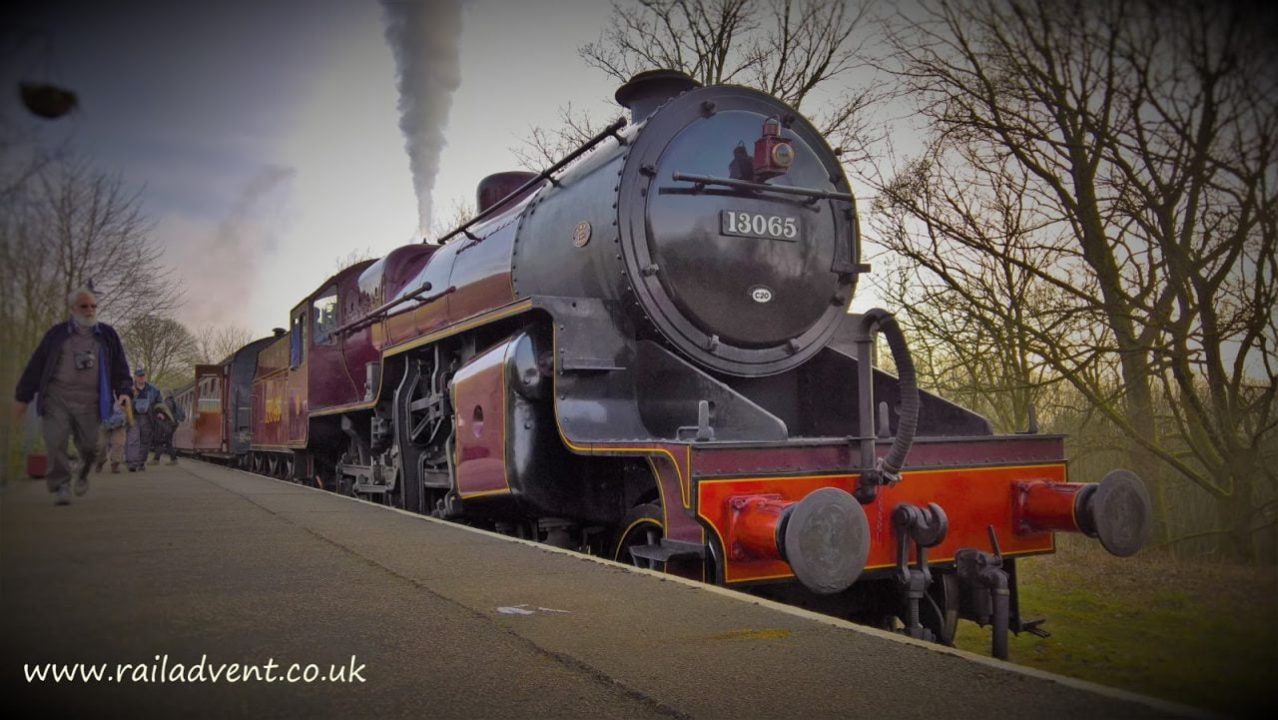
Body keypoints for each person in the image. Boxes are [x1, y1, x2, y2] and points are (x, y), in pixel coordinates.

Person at [14, 287, 131, 505]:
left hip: (89, 402)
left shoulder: (107, 335)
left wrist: (124, 391)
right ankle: (61, 485)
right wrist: (23, 397)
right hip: (56, 398)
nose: (89, 311)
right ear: (72, 309)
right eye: (84, 306)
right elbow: (36, 366)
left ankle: (84, 473)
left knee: (90, 447)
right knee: (55, 440)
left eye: (93, 306)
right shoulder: (57, 335)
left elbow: (120, 368)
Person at [130, 368, 163, 468]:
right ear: (135, 377)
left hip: (148, 418)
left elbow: (159, 403)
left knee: (145, 441)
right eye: (139, 376)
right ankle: (133, 462)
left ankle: (140, 462)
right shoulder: (129, 389)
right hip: (133, 417)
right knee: (133, 440)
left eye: (143, 376)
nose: (141, 378)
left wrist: (160, 412)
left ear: (146, 377)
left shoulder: (154, 390)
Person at [95, 394, 130, 474]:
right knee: (100, 444)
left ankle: (115, 464)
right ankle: (100, 461)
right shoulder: (102, 383)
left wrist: (126, 397)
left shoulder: (124, 383)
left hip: (120, 419)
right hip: (104, 419)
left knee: (119, 443)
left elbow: (130, 393)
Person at [150, 401, 178, 465]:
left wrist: (159, 432)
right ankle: (173, 459)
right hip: (169, 427)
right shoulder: (162, 406)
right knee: (167, 444)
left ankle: (156, 460)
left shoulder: (158, 409)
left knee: (160, 444)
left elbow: (161, 419)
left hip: (165, 428)